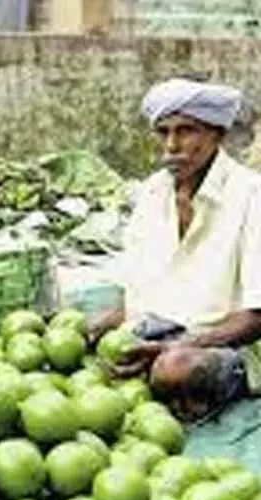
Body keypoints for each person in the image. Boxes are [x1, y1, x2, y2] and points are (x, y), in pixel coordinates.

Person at [88, 77, 261, 420]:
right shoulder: (153, 193)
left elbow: (256, 317)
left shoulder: (251, 195)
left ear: (217, 135)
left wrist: (187, 344)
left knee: (173, 368)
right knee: (84, 334)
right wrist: (94, 328)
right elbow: (135, 294)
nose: (172, 145)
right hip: (159, 327)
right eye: (163, 132)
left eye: (186, 131)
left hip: (229, 342)